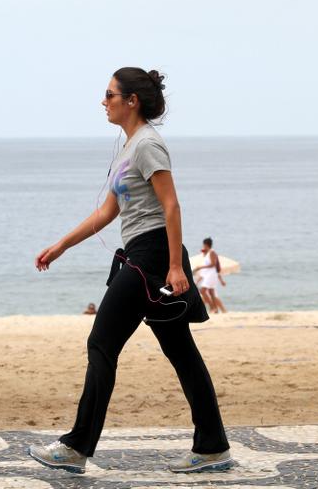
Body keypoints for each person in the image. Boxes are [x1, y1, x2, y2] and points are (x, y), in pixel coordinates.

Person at [29, 68, 232, 474]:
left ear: (132, 100)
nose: (103, 101)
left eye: (109, 94)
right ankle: (212, 446)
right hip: (141, 252)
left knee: (101, 343)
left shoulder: (148, 145)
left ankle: (76, 447)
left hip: (153, 256)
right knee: (181, 352)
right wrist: (61, 246)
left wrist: (176, 266)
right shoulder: (127, 148)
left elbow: (171, 205)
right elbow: (107, 212)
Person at [192, 237, 227, 313]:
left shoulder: (212, 252)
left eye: (203, 245)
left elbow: (213, 264)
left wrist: (200, 267)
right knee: (211, 292)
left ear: (206, 244)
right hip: (209, 275)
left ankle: (212, 307)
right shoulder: (208, 253)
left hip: (211, 275)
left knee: (203, 291)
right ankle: (215, 309)